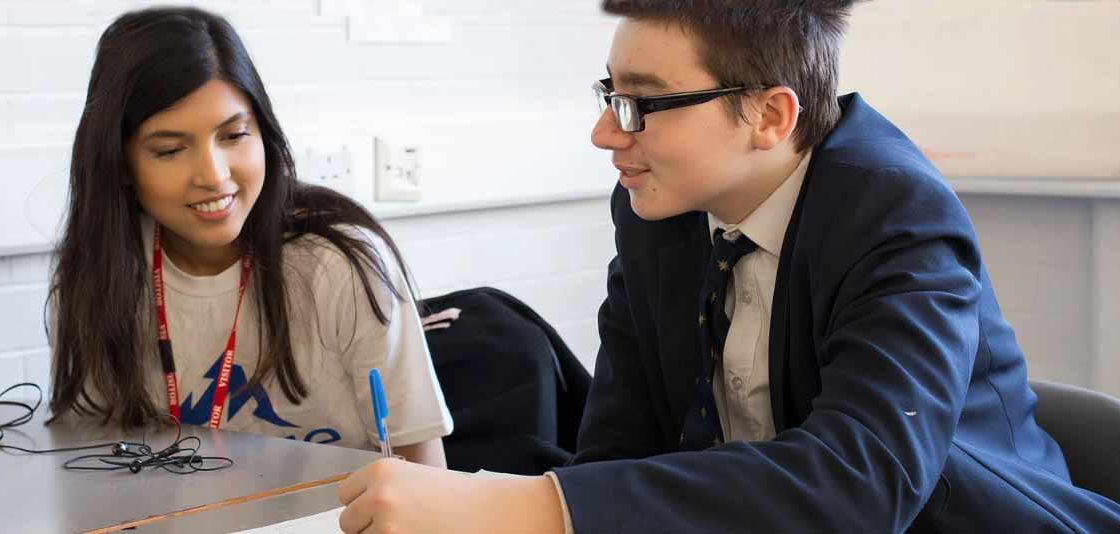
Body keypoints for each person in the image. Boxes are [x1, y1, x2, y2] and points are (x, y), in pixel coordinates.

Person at [334, 0, 1120, 531]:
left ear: (770, 115)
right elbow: (621, 447)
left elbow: (863, 481)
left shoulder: (892, 211)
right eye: (610, 95)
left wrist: (523, 507)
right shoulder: (659, 212)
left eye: (640, 103)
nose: (606, 136)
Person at [46, 7, 452, 466]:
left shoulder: (342, 265)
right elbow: (91, 468)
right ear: (119, 163)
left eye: (234, 135)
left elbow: (426, 477)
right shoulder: (98, 275)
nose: (214, 176)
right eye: (171, 150)